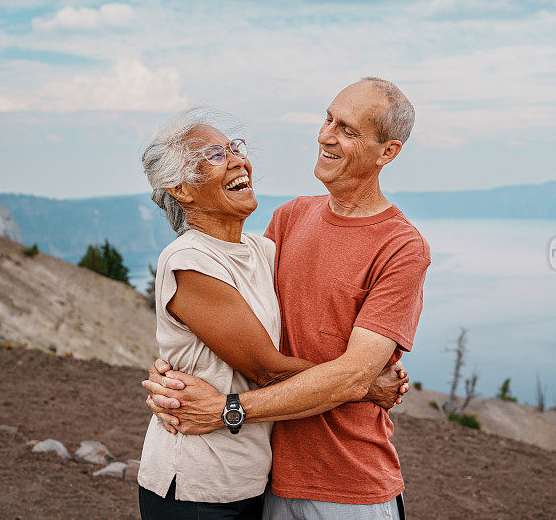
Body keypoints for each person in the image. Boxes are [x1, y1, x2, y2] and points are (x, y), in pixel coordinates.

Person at [145, 77, 430, 519]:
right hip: (266, 481)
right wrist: (175, 371)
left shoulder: (400, 246)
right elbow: (251, 347)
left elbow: (341, 368)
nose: (325, 135)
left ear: (387, 152)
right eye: (328, 119)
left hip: (347, 482)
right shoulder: (290, 218)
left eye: (348, 130)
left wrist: (224, 407)